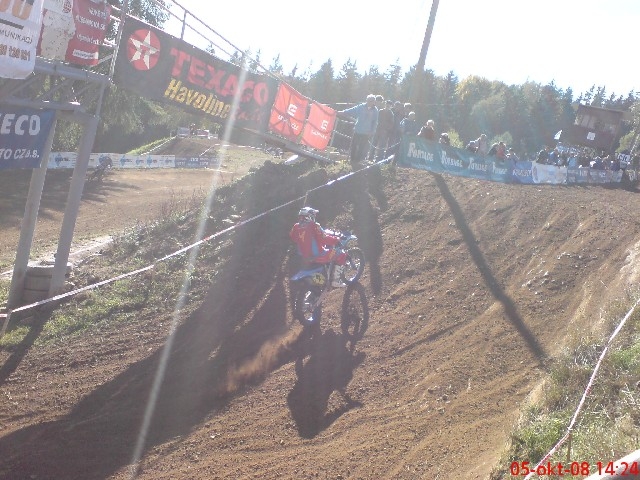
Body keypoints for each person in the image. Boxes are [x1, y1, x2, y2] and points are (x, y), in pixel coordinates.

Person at [289, 206, 345, 288]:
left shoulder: (296, 226)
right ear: (309, 216)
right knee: (341, 253)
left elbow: (293, 237)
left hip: (304, 257)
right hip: (319, 255)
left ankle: (321, 278)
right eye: (313, 215)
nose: (314, 217)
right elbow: (324, 239)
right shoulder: (314, 225)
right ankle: (335, 281)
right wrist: (336, 240)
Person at [338, 94, 379, 166]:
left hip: (366, 132)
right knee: (354, 145)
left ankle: (357, 161)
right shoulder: (361, 107)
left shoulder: (375, 110)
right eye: (369, 100)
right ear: (366, 100)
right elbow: (352, 110)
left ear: (374, 102)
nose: (370, 102)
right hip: (358, 130)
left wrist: (372, 131)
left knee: (361, 147)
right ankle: (352, 160)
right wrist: (342, 112)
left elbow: (375, 122)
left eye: (372, 101)